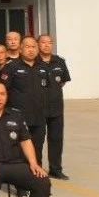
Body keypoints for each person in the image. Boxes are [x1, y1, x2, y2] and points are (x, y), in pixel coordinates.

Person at [0, 37, 48, 165]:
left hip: (39, 117)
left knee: (37, 148)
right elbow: (3, 90)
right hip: (18, 117)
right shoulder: (11, 67)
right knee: (18, 149)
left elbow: (47, 88)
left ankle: (37, 171)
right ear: (20, 49)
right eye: (27, 47)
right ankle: (21, 173)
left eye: (33, 47)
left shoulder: (43, 67)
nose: (31, 50)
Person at [37, 35, 70, 179]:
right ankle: (36, 168)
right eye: (43, 42)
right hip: (38, 108)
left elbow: (63, 81)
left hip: (56, 108)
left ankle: (55, 169)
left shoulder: (59, 61)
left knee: (56, 139)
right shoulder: (34, 62)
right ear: (38, 44)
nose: (46, 45)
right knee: (37, 140)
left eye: (49, 43)